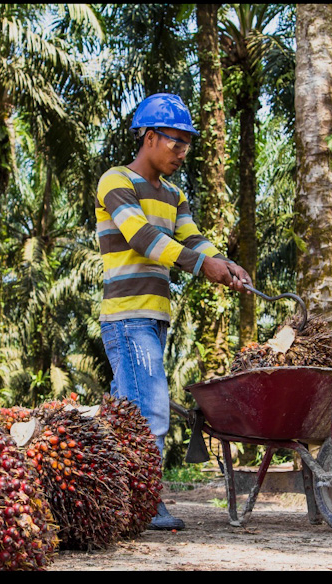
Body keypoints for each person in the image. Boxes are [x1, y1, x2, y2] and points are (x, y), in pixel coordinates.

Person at [95, 93, 252, 530]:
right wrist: (203, 265)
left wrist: (225, 263)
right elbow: (142, 237)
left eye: (187, 144)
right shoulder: (115, 181)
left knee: (125, 412)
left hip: (155, 317)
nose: (182, 152)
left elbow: (193, 239)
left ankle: (115, 503)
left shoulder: (173, 194)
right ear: (148, 137)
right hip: (127, 317)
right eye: (174, 142)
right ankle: (146, 506)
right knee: (151, 408)